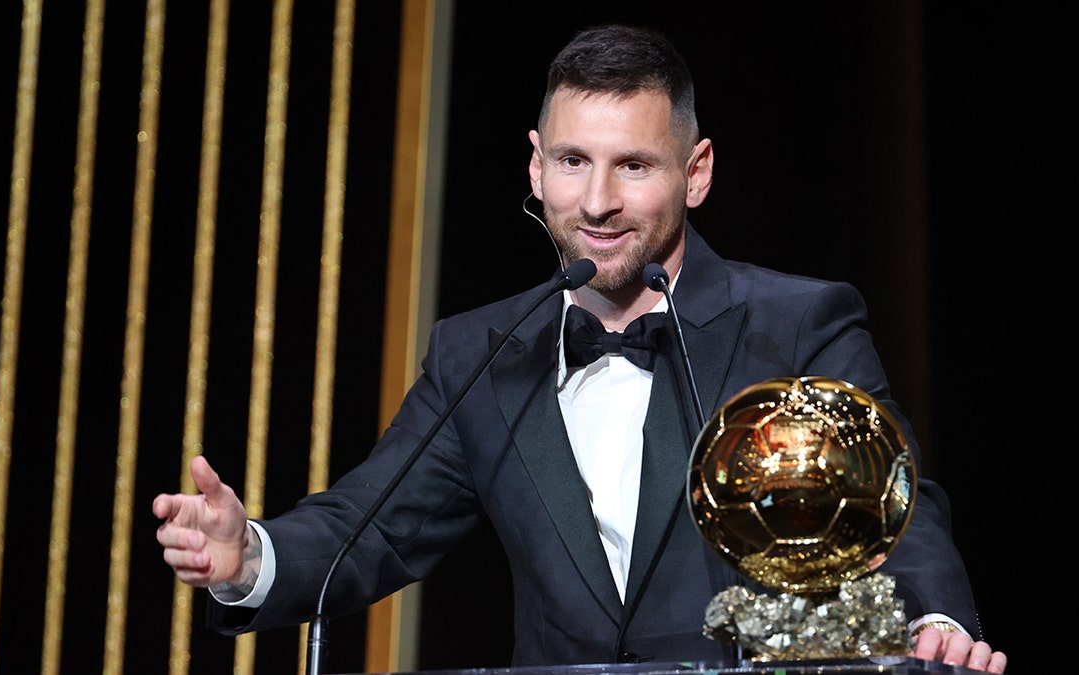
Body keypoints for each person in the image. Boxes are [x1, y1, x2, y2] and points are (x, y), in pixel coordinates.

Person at [154, 23, 1007, 673]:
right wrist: (248, 555)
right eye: (572, 161)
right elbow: (364, 528)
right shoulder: (479, 353)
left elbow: (893, 498)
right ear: (535, 168)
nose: (596, 200)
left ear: (696, 171)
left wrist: (938, 621)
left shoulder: (796, 322)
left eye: (633, 166)